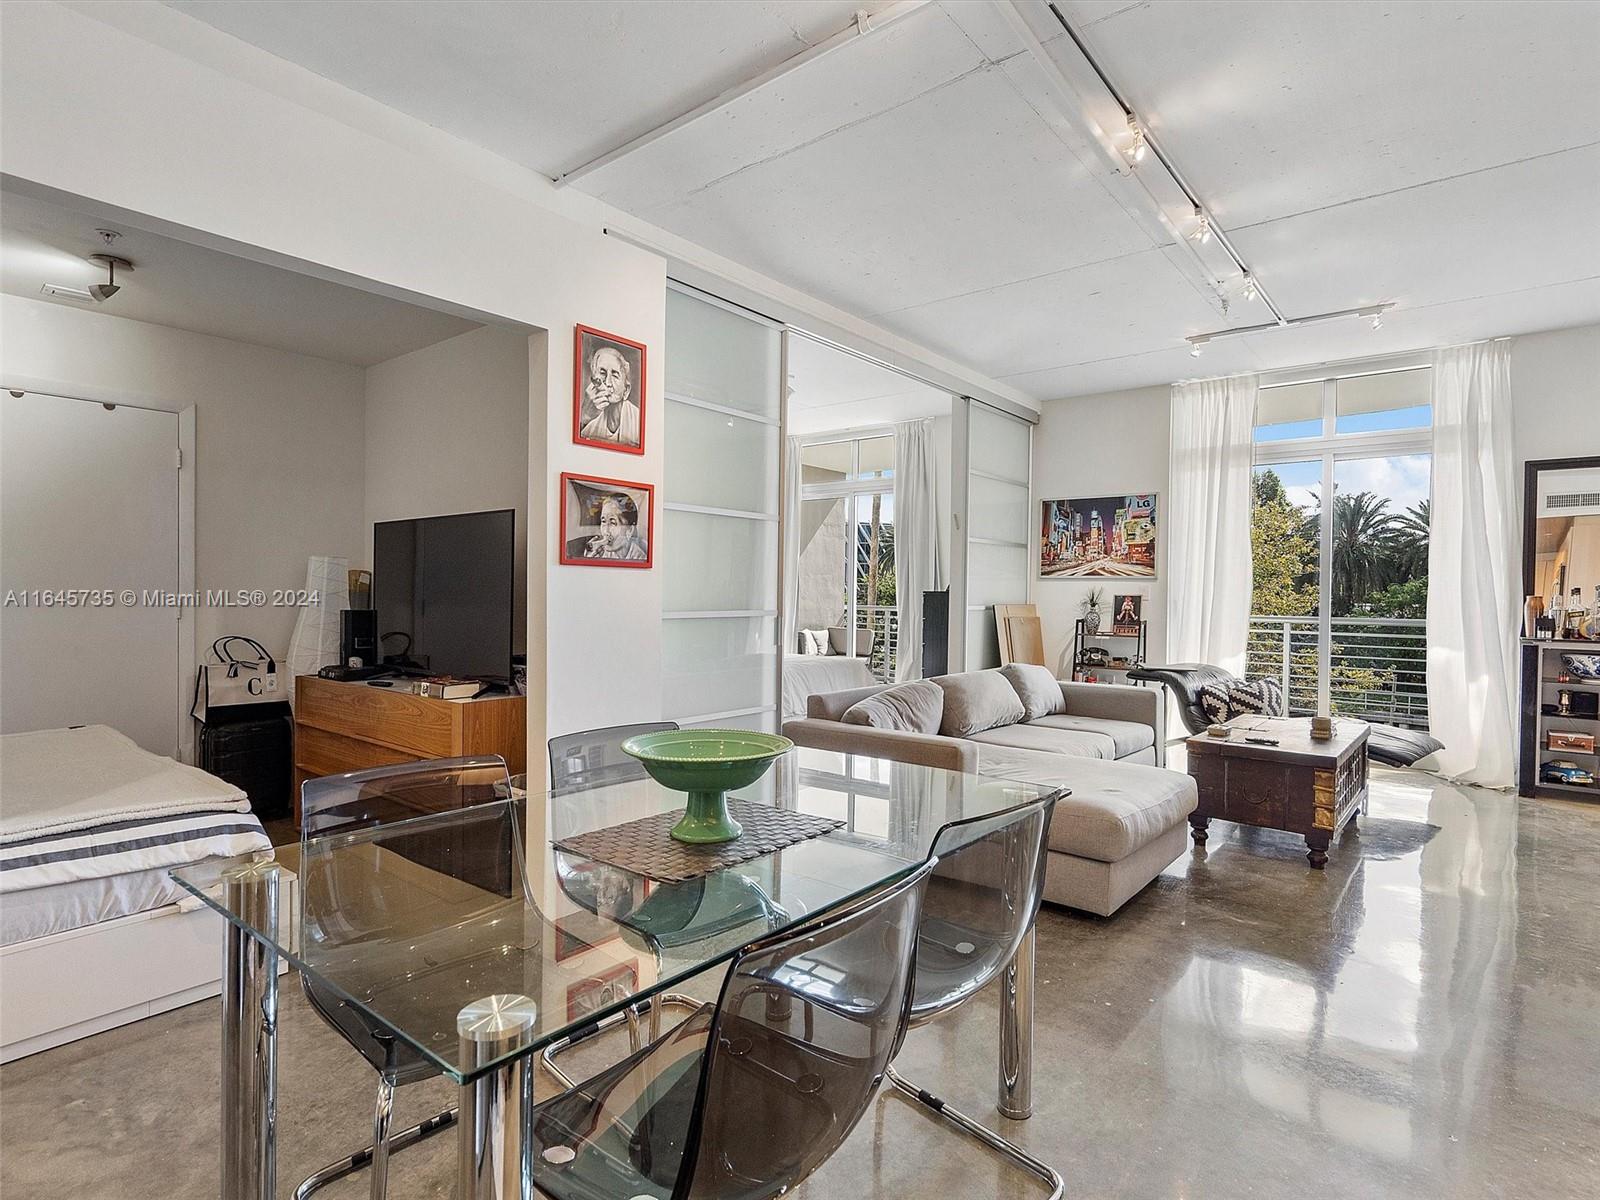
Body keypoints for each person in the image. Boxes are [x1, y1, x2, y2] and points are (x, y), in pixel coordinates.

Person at [578, 343, 641, 448]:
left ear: (626, 390)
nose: (607, 382)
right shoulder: (588, 413)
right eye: (602, 373)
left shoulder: (637, 420)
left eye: (615, 375)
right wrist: (584, 417)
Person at [574, 492, 648, 561]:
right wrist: (588, 561)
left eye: (612, 522)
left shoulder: (640, 558)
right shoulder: (599, 554)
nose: (606, 531)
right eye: (603, 521)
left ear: (630, 530)